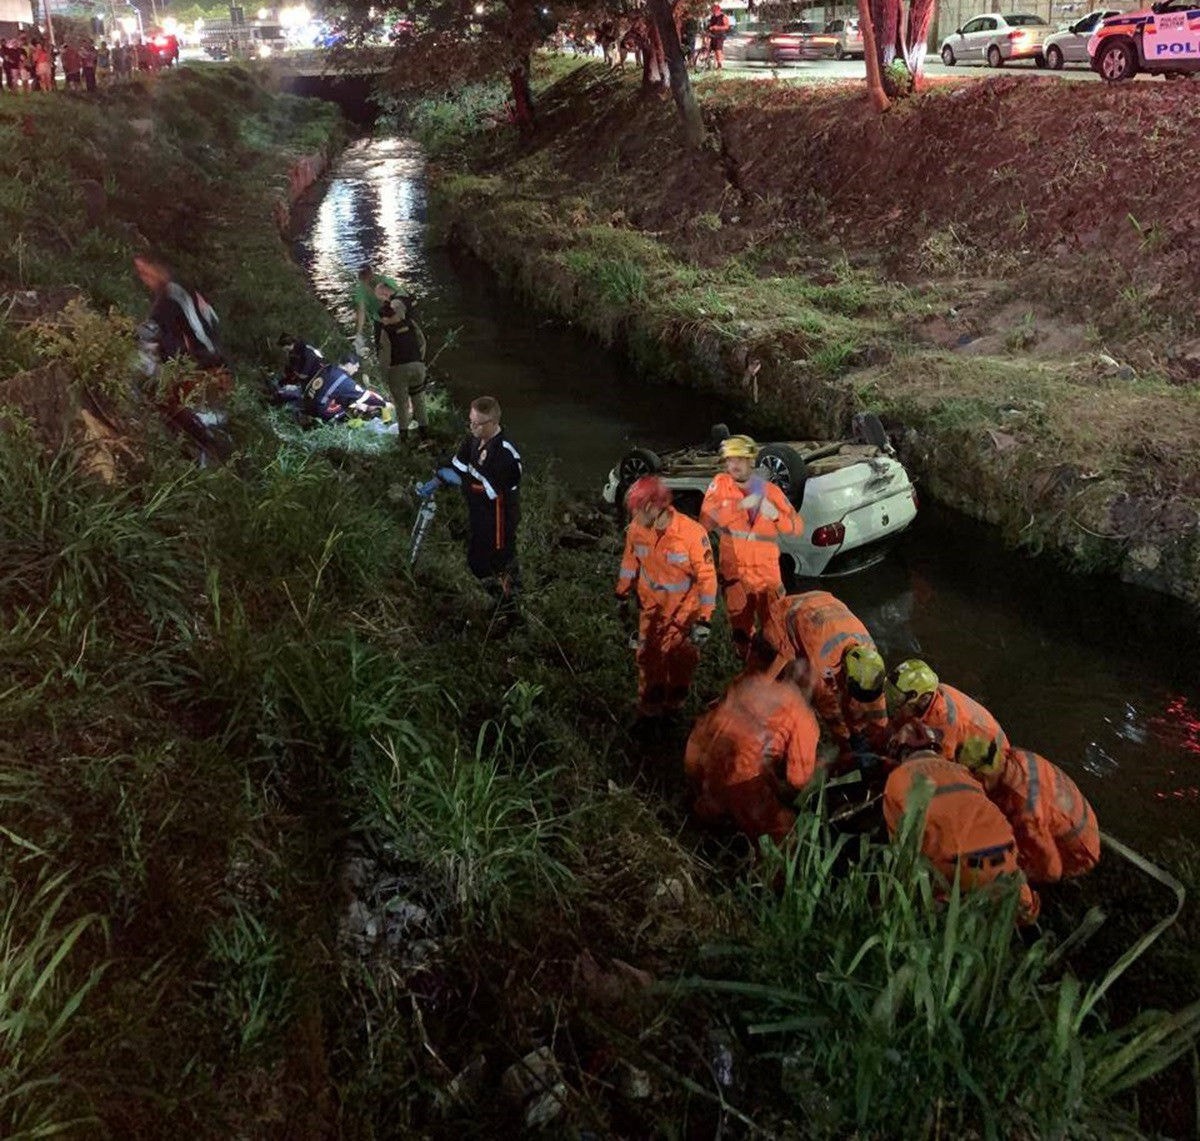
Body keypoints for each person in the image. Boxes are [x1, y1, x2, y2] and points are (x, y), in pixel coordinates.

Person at [883, 750, 1039, 923]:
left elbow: (902, 851)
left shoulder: (897, 778)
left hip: (958, 864)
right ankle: (1027, 913)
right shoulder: (960, 770)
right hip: (1004, 850)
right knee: (1019, 906)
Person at [614, 475, 717, 718]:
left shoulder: (691, 534)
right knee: (648, 658)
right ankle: (649, 708)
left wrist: (705, 618)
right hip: (651, 608)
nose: (634, 517)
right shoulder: (637, 531)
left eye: (637, 510)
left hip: (684, 610)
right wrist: (622, 593)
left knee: (682, 659)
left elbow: (707, 577)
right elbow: (630, 563)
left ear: (652, 507)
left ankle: (675, 706)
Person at [685, 672, 820, 847]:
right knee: (786, 830)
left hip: (699, 759)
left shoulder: (752, 680)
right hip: (737, 779)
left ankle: (708, 812)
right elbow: (798, 780)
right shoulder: (803, 718)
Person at [700, 434, 802, 661]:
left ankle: (780, 670)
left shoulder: (771, 492)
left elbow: (796, 527)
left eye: (740, 459)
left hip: (767, 577)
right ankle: (747, 665)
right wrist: (738, 507)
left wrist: (775, 515)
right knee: (740, 630)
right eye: (730, 459)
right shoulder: (719, 485)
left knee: (776, 628)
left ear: (751, 461)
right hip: (734, 575)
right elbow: (705, 522)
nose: (734, 465)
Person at [416, 396, 522, 605]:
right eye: (470, 421)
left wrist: (461, 483)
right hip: (479, 514)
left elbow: (487, 491)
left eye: (477, 423)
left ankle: (510, 610)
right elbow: (459, 465)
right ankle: (492, 601)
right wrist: (438, 477)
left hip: (499, 522)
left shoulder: (506, 456)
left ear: (492, 423)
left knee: (500, 564)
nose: (472, 427)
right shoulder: (473, 440)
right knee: (476, 561)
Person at [767, 590, 889, 768]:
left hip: (825, 605)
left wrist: (880, 732)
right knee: (769, 677)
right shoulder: (822, 658)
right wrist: (846, 741)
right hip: (788, 614)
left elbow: (875, 700)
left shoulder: (870, 658)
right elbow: (829, 705)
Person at [958, 737, 1100, 884]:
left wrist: (1020, 877)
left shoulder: (1024, 811)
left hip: (1079, 855)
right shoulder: (1018, 756)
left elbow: (1053, 871)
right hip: (1084, 820)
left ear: (983, 776)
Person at [884, 659, 1009, 766]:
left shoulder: (942, 731)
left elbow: (937, 771)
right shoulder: (931, 693)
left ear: (922, 698)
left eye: (897, 697)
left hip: (991, 762)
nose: (891, 699)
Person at [134, 255, 226, 370]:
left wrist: (205, 357)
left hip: (203, 363)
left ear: (157, 268)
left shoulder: (175, 294)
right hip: (188, 363)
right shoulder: (165, 296)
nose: (144, 278)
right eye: (141, 273)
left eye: (145, 271)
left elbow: (198, 329)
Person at [375, 280, 429, 444]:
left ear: (385, 318)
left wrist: (384, 377)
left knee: (401, 404)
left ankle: (404, 437)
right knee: (419, 399)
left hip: (398, 370)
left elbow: (385, 356)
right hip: (418, 368)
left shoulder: (386, 331)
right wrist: (419, 359)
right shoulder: (411, 323)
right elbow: (422, 343)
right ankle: (424, 433)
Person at [352, 262, 400, 355]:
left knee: (392, 347)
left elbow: (399, 297)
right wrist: (359, 334)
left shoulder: (385, 281)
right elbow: (361, 311)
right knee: (382, 348)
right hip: (381, 321)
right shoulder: (362, 289)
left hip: (394, 318)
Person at [707, 2, 731, 69]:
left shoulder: (723, 16)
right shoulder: (712, 17)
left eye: (715, 9)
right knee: (710, 49)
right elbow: (710, 25)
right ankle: (709, 64)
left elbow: (727, 27)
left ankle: (719, 64)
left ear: (718, 9)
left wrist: (717, 27)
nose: (713, 11)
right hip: (713, 35)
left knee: (718, 50)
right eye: (712, 10)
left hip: (720, 35)